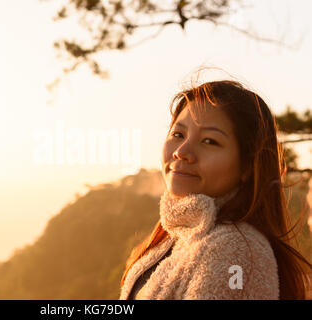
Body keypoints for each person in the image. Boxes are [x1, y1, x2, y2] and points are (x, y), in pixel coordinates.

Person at [119, 79, 312, 300]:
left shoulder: (236, 251)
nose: (181, 152)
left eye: (209, 141)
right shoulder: (176, 237)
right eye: (178, 134)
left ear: (247, 166)